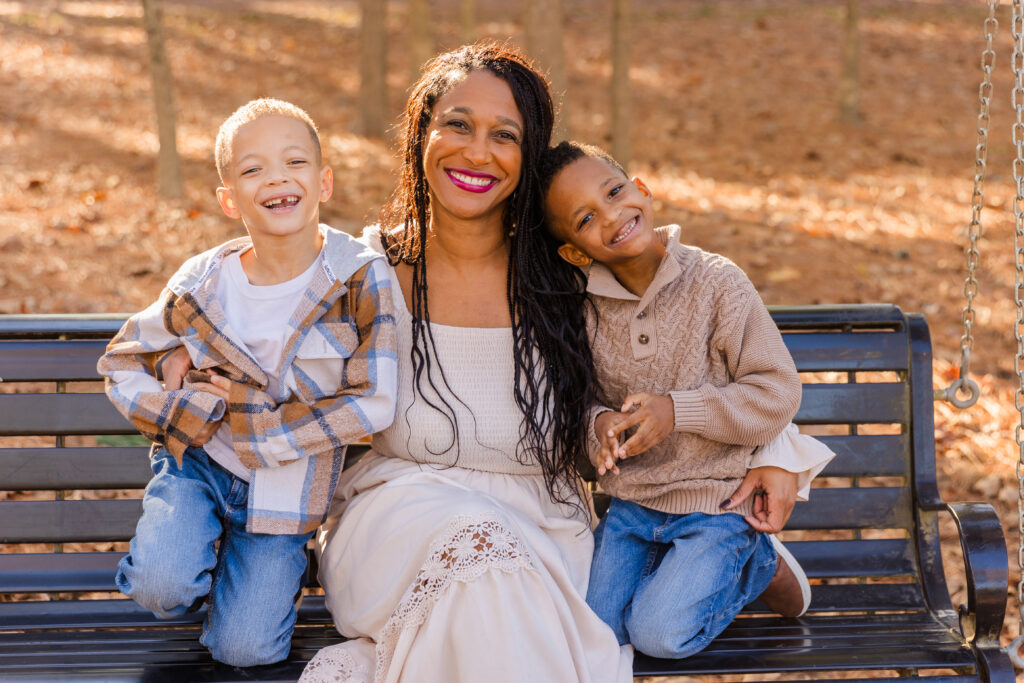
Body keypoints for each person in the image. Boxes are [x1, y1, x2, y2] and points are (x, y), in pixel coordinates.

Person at [297, 44, 813, 683]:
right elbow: (258, 328)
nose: (478, 152)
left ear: (528, 154)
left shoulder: (565, 280)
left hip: (544, 528)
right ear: (421, 132)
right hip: (395, 520)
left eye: (504, 136)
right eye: (458, 124)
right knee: (477, 556)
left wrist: (777, 453)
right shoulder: (365, 270)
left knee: (495, 592)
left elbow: (690, 352)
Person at [97, 98, 397, 667]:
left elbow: (375, 400)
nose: (278, 178)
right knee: (160, 586)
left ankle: (258, 576)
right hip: (199, 466)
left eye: (295, 163)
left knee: (247, 651)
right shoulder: (203, 280)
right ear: (229, 198)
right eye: (253, 169)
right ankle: (193, 558)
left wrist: (257, 428)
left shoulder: (357, 276)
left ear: (324, 182)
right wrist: (183, 404)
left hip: (287, 487)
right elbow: (123, 361)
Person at [536, 140, 835, 659]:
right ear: (574, 251)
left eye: (614, 192)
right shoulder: (582, 312)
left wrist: (677, 410)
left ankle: (756, 561)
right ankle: (687, 575)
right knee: (597, 636)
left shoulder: (718, 284)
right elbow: (577, 404)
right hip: (632, 505)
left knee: (659, 635)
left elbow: (776, 391)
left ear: (643, 189)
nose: (612, 216)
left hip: (718, 503)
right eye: (586, 218)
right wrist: (600, 424)